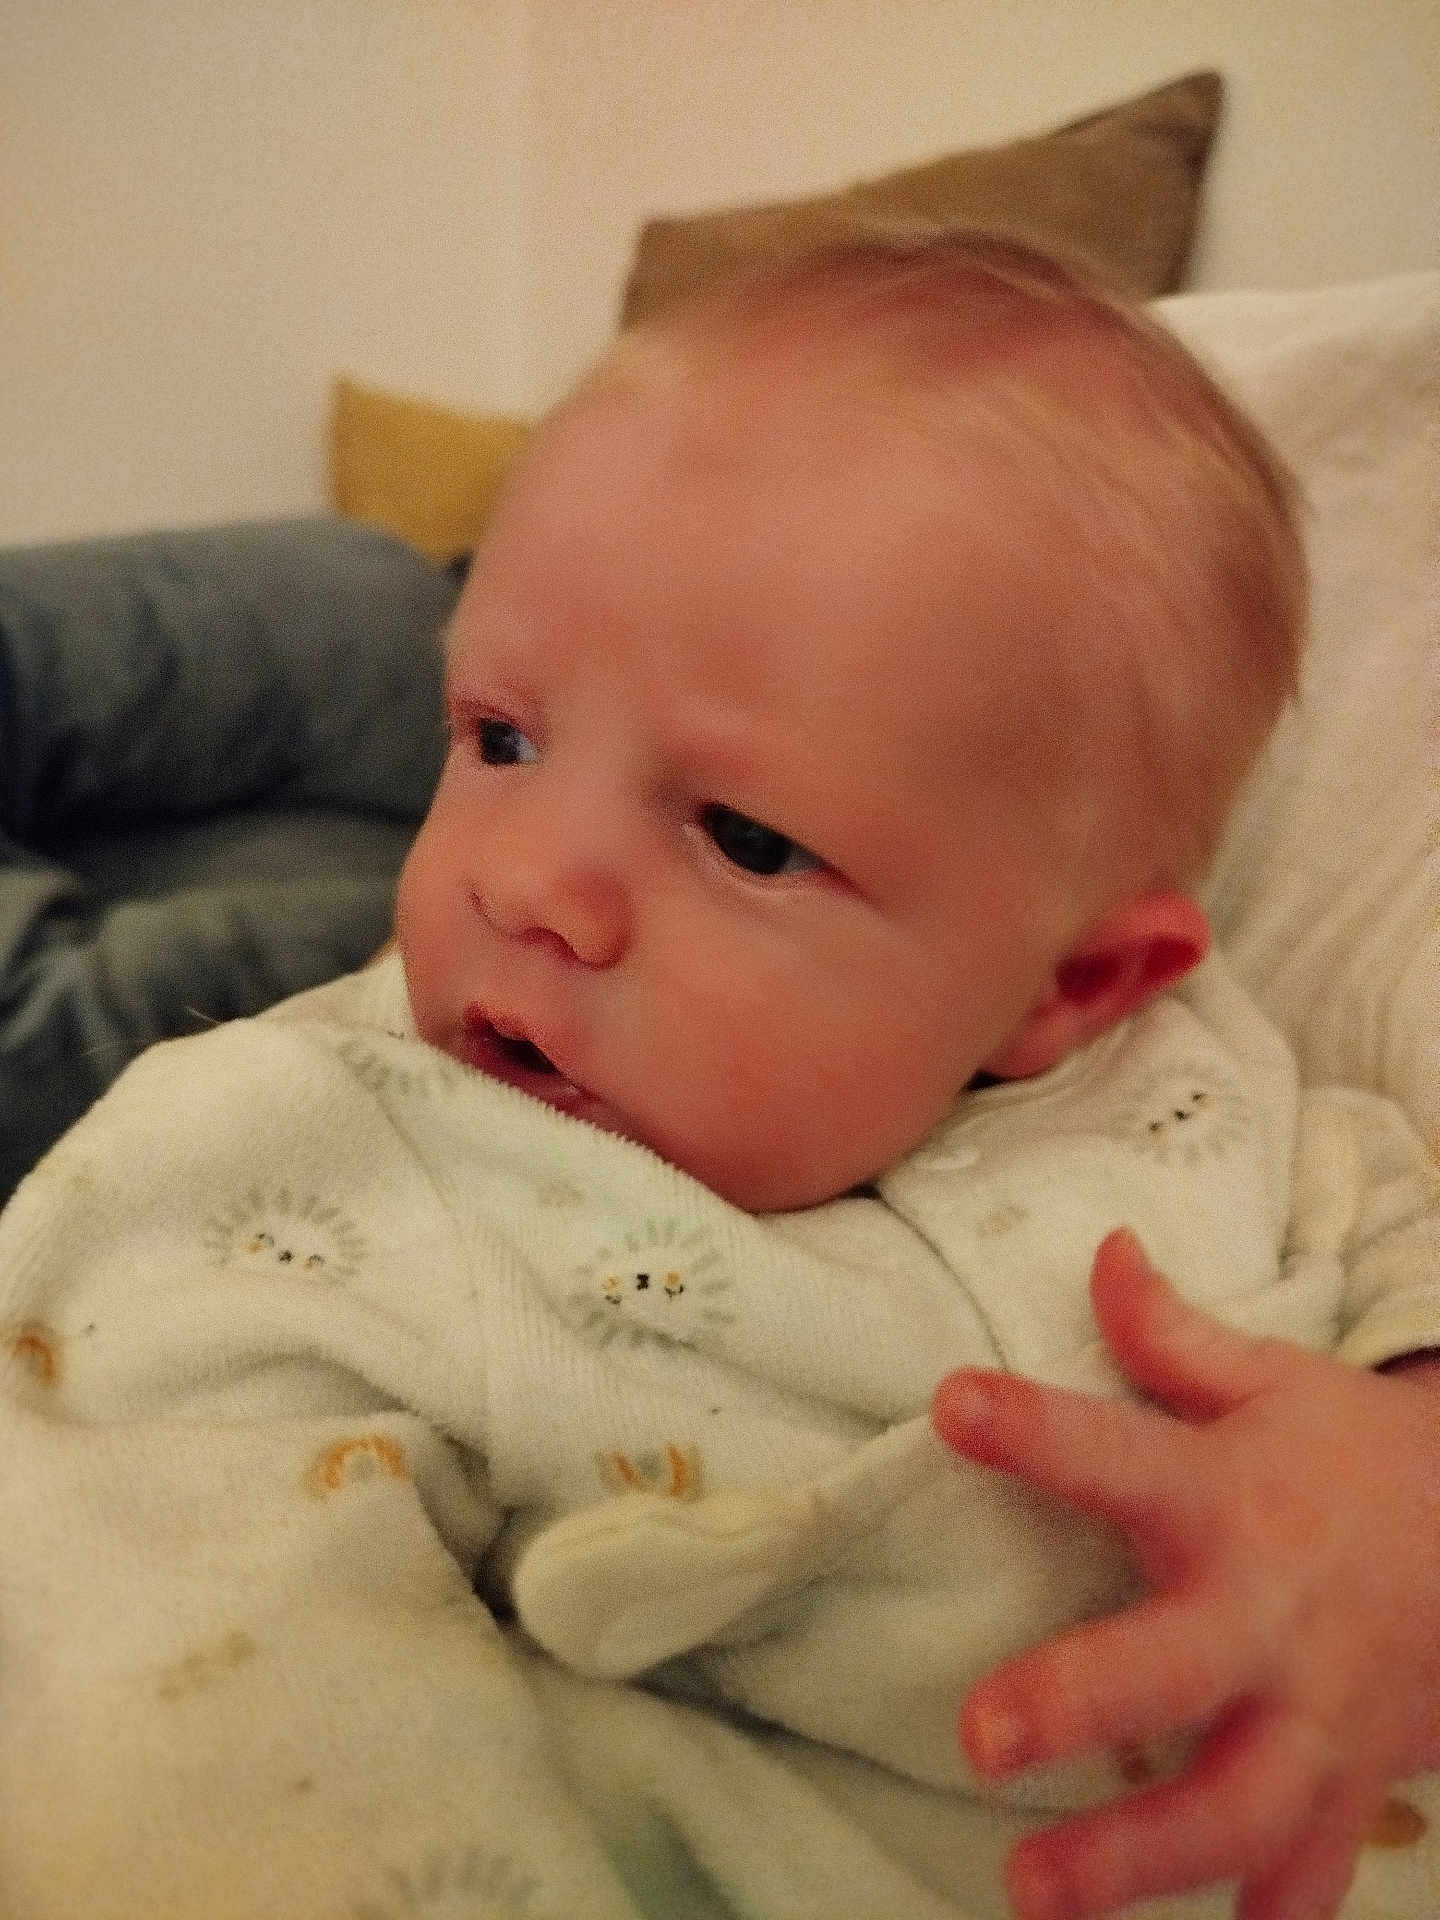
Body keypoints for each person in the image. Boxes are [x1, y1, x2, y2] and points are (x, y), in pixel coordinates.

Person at [0, 236, 1434, 1920]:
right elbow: (193, 1665)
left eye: (748, 837)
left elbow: (1394, 1233)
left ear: (1072, 984)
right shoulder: (318, 1165)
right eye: (500, 740)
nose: (525, 881)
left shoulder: (1215, 1103)